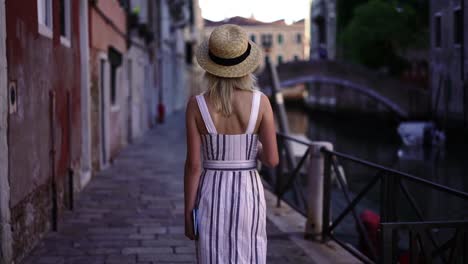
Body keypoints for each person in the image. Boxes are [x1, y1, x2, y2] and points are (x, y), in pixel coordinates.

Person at [184, 24, 279, 264]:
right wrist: (251, 149)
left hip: (211, 190)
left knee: (211, 254)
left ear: (211, 67)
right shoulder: (262, 103)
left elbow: (194, 166)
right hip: (249, 192)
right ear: (246, 66)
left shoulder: (197, 105)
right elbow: (272, 159)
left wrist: (187, 213)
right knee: (249, 254)